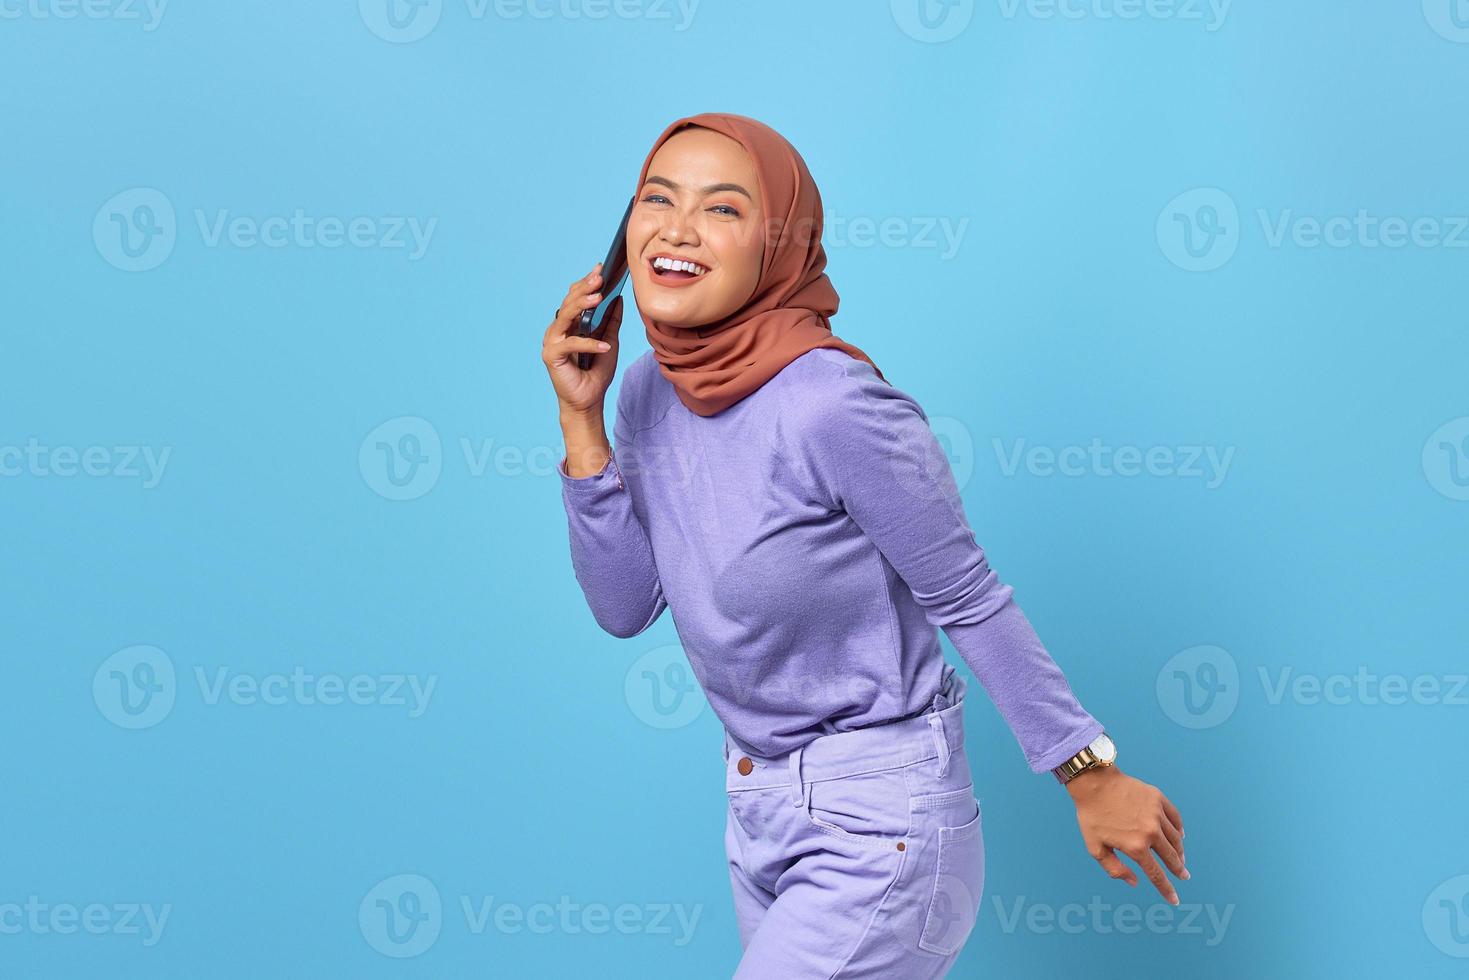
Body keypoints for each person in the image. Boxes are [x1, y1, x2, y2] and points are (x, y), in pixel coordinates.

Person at [541, 111, 1186, 978]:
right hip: (756, 804)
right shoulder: (649, 390)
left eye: (724, 210)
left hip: (881, 816)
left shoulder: (833, 407)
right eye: (657, 199)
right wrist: (581, 422)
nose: (678, 229)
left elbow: (967, 596)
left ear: (781, 246)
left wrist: (1088, 771)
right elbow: (625, 608)